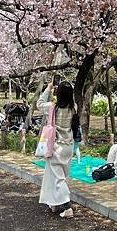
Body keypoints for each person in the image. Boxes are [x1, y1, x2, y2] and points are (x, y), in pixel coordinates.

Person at [37, 80, 82, 219]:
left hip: (55, 147)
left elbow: (39, 104)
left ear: (59, 93)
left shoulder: (52, 107)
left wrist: (48, 89)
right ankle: (54, 203)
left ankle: (67, 207)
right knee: (57, 176)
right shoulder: (73, 107)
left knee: (58, 179)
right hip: (68, 147)